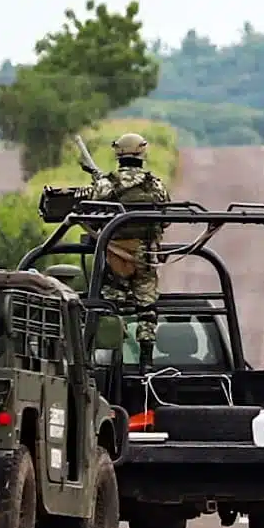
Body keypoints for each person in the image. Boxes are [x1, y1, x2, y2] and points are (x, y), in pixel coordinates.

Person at [88, 132, 174, 363]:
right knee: (147, 308)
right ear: (143, 152)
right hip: (145, 257)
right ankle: (146, 359)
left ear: (117, 154)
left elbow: (92, 218)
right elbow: (165, 219)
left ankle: (112, 357)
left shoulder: (106, 184)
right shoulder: (155, 184)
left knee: (110, 307)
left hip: (117, 257)